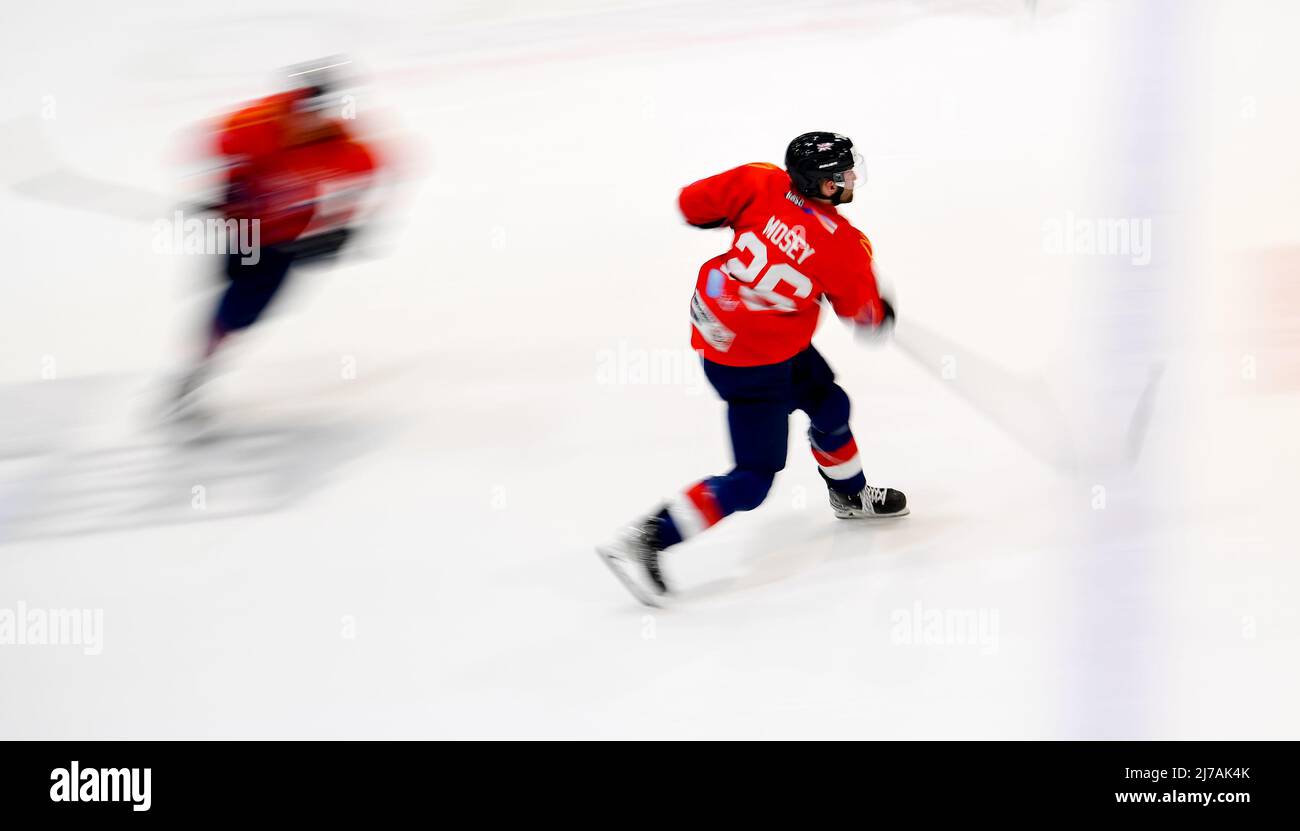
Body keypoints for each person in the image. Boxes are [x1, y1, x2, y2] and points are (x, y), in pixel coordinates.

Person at [597, 132, 908, 606]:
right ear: (822, 185)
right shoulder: (845, 246)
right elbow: (863, 317)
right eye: (841, 174)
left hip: (732, 333)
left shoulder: (760, 182)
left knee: (829, 403)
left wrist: (745, 219)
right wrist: (879, 313)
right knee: (753, 478)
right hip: (755, 364)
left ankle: (849, 495)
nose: (849, 179)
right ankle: (645, 540)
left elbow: (691, 206)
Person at [171, 59, 377, 416]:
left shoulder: (343, 147)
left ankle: (200, 368)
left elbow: (368, 175)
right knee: (232, 288)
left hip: (286, 240)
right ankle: (200, 364)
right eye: (299, 110)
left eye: (316, 112)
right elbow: (218, 150)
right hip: (248, 229)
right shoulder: (252, 126)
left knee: (242, 309)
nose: (306, 120)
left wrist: (339, 226)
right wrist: (227, 192)